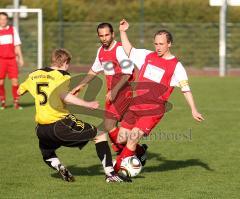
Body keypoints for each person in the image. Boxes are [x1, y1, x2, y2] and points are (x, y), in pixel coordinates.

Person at [17, 48, 131, 183]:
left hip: (41, 129)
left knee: (47, 152)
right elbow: (64, 96)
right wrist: (87, 104)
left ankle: (58, 165)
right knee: (99, 134)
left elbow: (19, 91)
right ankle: (111, 174)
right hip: (60, 124)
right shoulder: (63, 75)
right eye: (68, 64)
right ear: (65, 62)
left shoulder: (35, 74)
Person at [111, 19, 205, 172]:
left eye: (161, 44)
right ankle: (140, 152)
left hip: (153, 110)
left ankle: (116, 172)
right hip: (135, 105)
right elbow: (129, 50)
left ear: (169, 44)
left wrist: (193, 109)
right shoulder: (147, 56)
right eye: (156, 44)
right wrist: (123, 31)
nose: (158, 47)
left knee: (133, 137)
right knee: (121, 139)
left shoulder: (176, 66)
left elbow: (185, 89)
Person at [71, 22, 148, 164]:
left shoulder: (120, 50)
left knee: (108, 125)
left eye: (107, 35)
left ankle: (126, 158)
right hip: (111, 94)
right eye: (101, 36)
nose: (104, 38)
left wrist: (114, 90)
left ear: (113, 34)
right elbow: (94, 70)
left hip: (123, 92)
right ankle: (137, 152)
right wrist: (81, 85)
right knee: (115, 131)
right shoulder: (100, 51)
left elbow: (127, 74)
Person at [0, 12, 24, 110]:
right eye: (1, 19)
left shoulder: (13, 30)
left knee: (15, 82)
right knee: (0, 83)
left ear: (7, 20)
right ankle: (3, 102)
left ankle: (16, 102)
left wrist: (21, 57)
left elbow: (17, 45)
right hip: (1, 60)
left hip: (12, 60)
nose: (3, 21)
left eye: (5, 19)